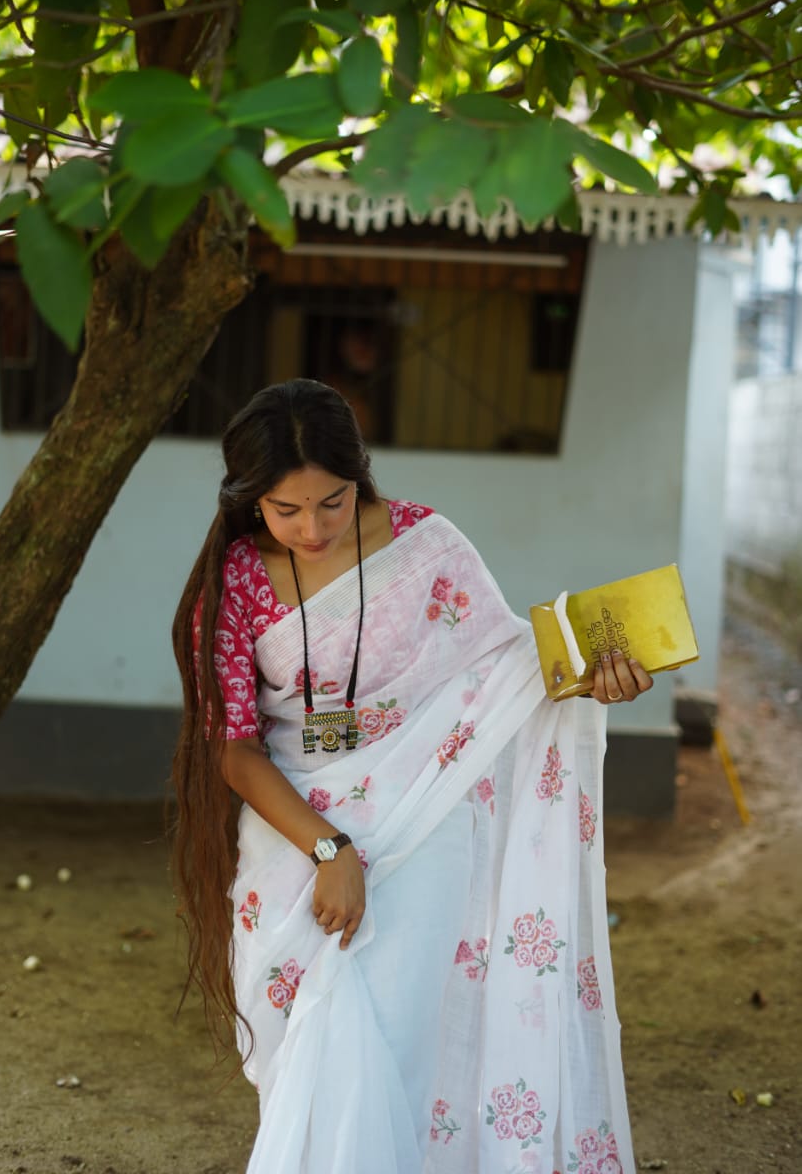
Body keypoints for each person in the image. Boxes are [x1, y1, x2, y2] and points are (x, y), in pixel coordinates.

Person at [171, 378, 653, 1174]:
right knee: (303, 1049)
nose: (311, 528)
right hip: (294, 833)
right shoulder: (234, 585)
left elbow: (501, 676)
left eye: (331, 502)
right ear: (247, 497)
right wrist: (332, 851)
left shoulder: (425, 546)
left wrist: (591, 674)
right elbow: (235, 748)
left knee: (399, 1042)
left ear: (358, 474)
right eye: (284, 510)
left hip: (426, 817)